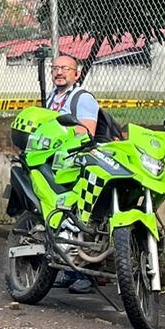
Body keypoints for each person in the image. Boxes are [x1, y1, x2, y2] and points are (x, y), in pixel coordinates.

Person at [47, 52, 100, 293]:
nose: (59, 72)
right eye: (55, 68)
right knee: (60, 217)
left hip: (78, 167)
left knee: (80, 218)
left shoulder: (82, 98)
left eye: (65, 69)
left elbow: (87, 132)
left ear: (76, 74)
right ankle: (68, 270)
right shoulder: (51, 98)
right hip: (57, 166)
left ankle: (86, 275)